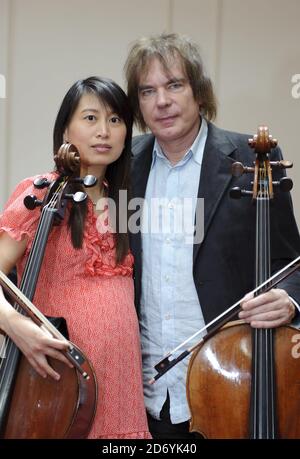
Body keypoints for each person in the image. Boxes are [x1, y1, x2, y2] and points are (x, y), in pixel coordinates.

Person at [124, 33, 300, 439]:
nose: (161, 102)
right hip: (142, 394)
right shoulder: (125, 164)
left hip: (228, 386)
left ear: (198, 92)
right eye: (148, 91)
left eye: (174, 85)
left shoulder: (253, 158)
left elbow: (292, 264)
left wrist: (288, 300)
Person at [0, 76, 151, 439]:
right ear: (65, 128)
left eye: (115, 120)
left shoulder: (125, 202)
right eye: (90, 118)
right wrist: (14, 326)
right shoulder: (39, 192)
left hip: (124, 394)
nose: (104, 131)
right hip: (57, 390)